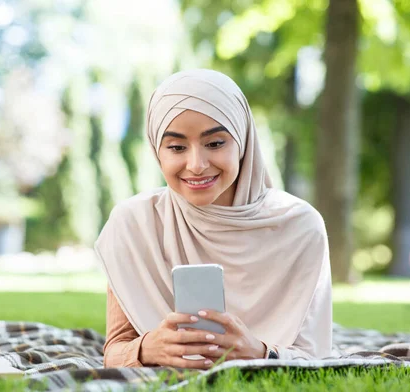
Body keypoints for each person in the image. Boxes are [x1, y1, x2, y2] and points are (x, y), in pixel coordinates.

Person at [94, 69, 332, 369]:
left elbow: (317, 357)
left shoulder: (299, 226)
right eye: (177, 147)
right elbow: (114, 351)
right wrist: (146, 349)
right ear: (158, 151)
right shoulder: (132, 224)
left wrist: (260, 353)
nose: (196, 165)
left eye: (215, 143)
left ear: (243, 141)